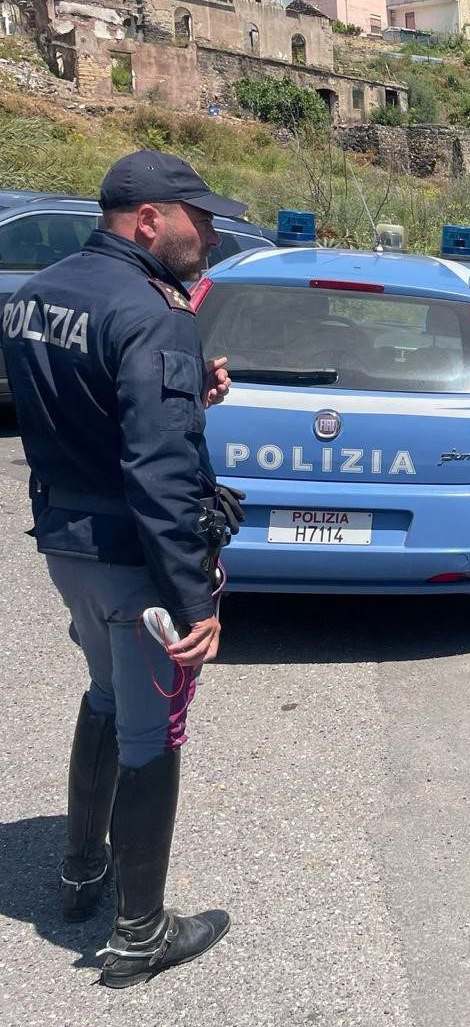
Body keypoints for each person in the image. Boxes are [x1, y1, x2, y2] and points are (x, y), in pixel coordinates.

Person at [0, 150, 246, 987]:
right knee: (152, 733)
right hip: (134, 564)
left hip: (66, 546)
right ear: (149, 220)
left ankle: (79, 872)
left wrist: (185, 394)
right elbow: (160, 472)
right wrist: (192, 598)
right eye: (197, 218)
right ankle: (139, 936)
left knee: (104, 696)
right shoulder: (156, 313)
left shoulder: (38, 292)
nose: (208, 232)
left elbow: (86, 409)